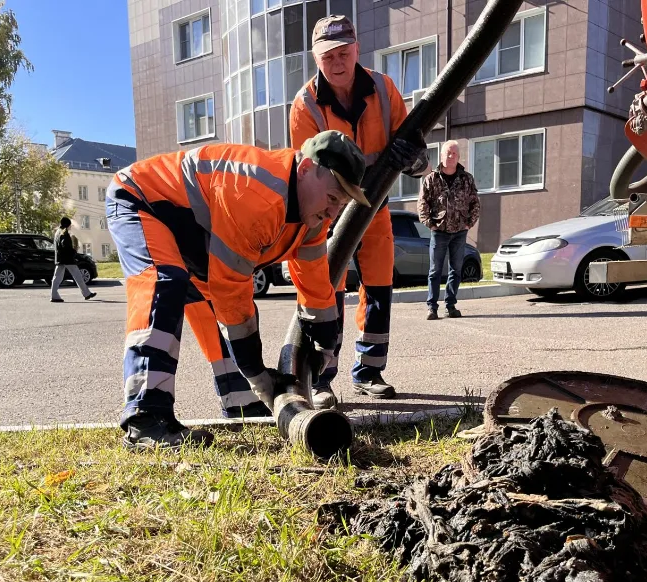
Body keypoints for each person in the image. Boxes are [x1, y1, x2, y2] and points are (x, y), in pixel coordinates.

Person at [105, 130, 369, 450]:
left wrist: (325, 346)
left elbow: (316, 284)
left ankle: (242, 405)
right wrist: (258, 375)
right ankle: (146, 418)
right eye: (332, 198)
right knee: (165, 282)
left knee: (214, 306)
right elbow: (231, 291)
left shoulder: (310, 220)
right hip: (142, 198)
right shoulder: (256, 194)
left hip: (193, 232)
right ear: (304, 170)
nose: (333, 213)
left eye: (341, 204)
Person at [289, 14, 430, 410]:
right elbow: (307, 174)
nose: (337, 62)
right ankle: (321, 379)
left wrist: (413, 157)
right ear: (316, 58)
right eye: (327, 56)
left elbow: (416, 151)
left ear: (357, 49)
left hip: (375, 205)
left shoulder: (383, 89)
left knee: (380, 287)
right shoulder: (305, 105)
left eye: (343, 53)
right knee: (326, 291)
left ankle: (369, 372)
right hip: (329, 211)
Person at [417, 140, 480, 319]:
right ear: (441, 155)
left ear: (458, 157)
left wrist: (468, 223)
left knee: (456, 270)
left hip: (460, 231)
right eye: (447, 153)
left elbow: (475, 203)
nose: (450, 156)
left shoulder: (466, 179)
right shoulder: (432, 179)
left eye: (454, 153)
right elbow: (422, 203)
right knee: (435, 271)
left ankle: (450, 306)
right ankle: (432, 307)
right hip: (439, 231)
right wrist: (430, 223)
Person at [50, 217, 96, 302]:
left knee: (57, 278)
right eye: (70, 225)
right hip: (67, 259)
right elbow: (65, 245)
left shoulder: (57, 232)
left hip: (60, 259)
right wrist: (74, 251)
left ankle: (54, 295)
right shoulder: (64, 233)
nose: (70, 226)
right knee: (78, 276)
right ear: (67, 225)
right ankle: (86, 293)